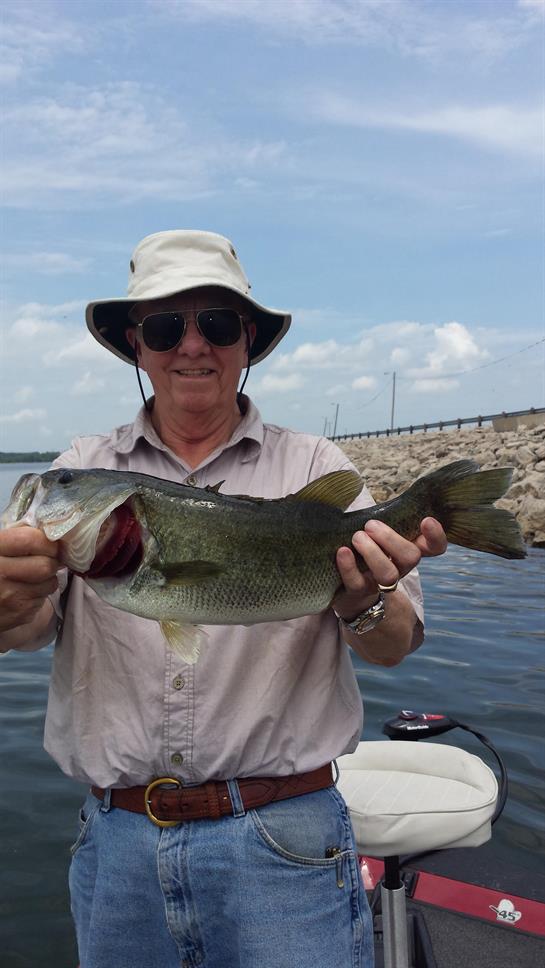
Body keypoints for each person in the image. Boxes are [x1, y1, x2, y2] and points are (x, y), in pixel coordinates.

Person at [0, 230, 448, 968]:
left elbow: (391, 645)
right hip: (118, 846)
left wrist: (365, 598)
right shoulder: (81, 467)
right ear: (134, 347)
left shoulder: (315, 465)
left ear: (247, 341)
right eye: (165, 327)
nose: (191, 346)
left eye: (214, 324)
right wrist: (9, 605)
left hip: (284, 843)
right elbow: (26, 625)